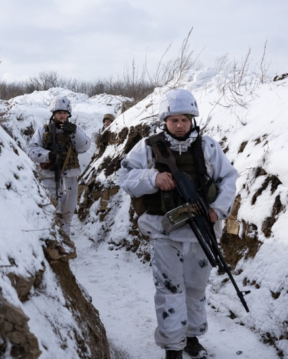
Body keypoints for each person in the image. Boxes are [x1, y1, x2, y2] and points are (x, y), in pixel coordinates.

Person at [118, 89, 238, 359]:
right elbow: (125, 176)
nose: (180, 125)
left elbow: (228, 179)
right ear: (165, 121)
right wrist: (152, 178)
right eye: (174, 120)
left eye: (184, 119)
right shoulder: (149, 147)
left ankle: (192, 337)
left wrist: (217, 211)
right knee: (169, 288)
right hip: (164, 231)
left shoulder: (208, 147)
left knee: (196, 288)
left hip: (201, 232)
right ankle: (173, 346)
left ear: (192, 119)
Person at [27, 95, 91, 236]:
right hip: (49, 176)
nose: (62, 116)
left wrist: (74, 132)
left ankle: (65, 244)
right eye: (59, 113)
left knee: (67, 213)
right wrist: (48, 155)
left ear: (68, 114)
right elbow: (31, 150)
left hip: (70, 177)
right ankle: (52, 241)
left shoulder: (75, 129)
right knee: (51, 210)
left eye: (64, 113)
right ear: (54, 114)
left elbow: (84, 147)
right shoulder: (43, 130)